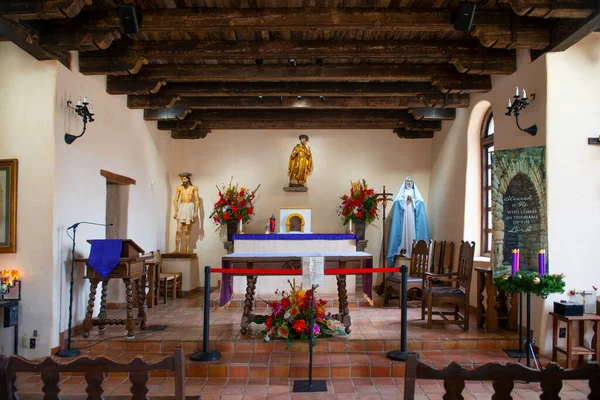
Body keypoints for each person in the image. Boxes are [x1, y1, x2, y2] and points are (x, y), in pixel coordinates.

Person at [386, 176, 430, 264]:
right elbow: (397, 202)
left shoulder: (415, 193)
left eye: (410, 181)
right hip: (404, 216)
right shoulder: (403, 192)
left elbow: (420, 203)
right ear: (405, 183)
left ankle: (413, 249)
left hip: (413, 216)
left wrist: (413, 200)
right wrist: (405, 200)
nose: (409, 183)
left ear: (413, 183)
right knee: (403, 232)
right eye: (407, 181)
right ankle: (402, 249)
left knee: (412, 231)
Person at [173, 172, 204, 253]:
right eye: (182, 179)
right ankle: (176, 249)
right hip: (182, 207)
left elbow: (197, 200)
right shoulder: (179, 188)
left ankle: (185, 249)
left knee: (187, 231)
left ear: (188, 179)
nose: (183, 180)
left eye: (185, 178)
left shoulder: (194, 188)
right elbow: (175, 200)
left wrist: (196, 211)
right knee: (178, 231)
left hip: (189, 207)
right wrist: (176, 211)